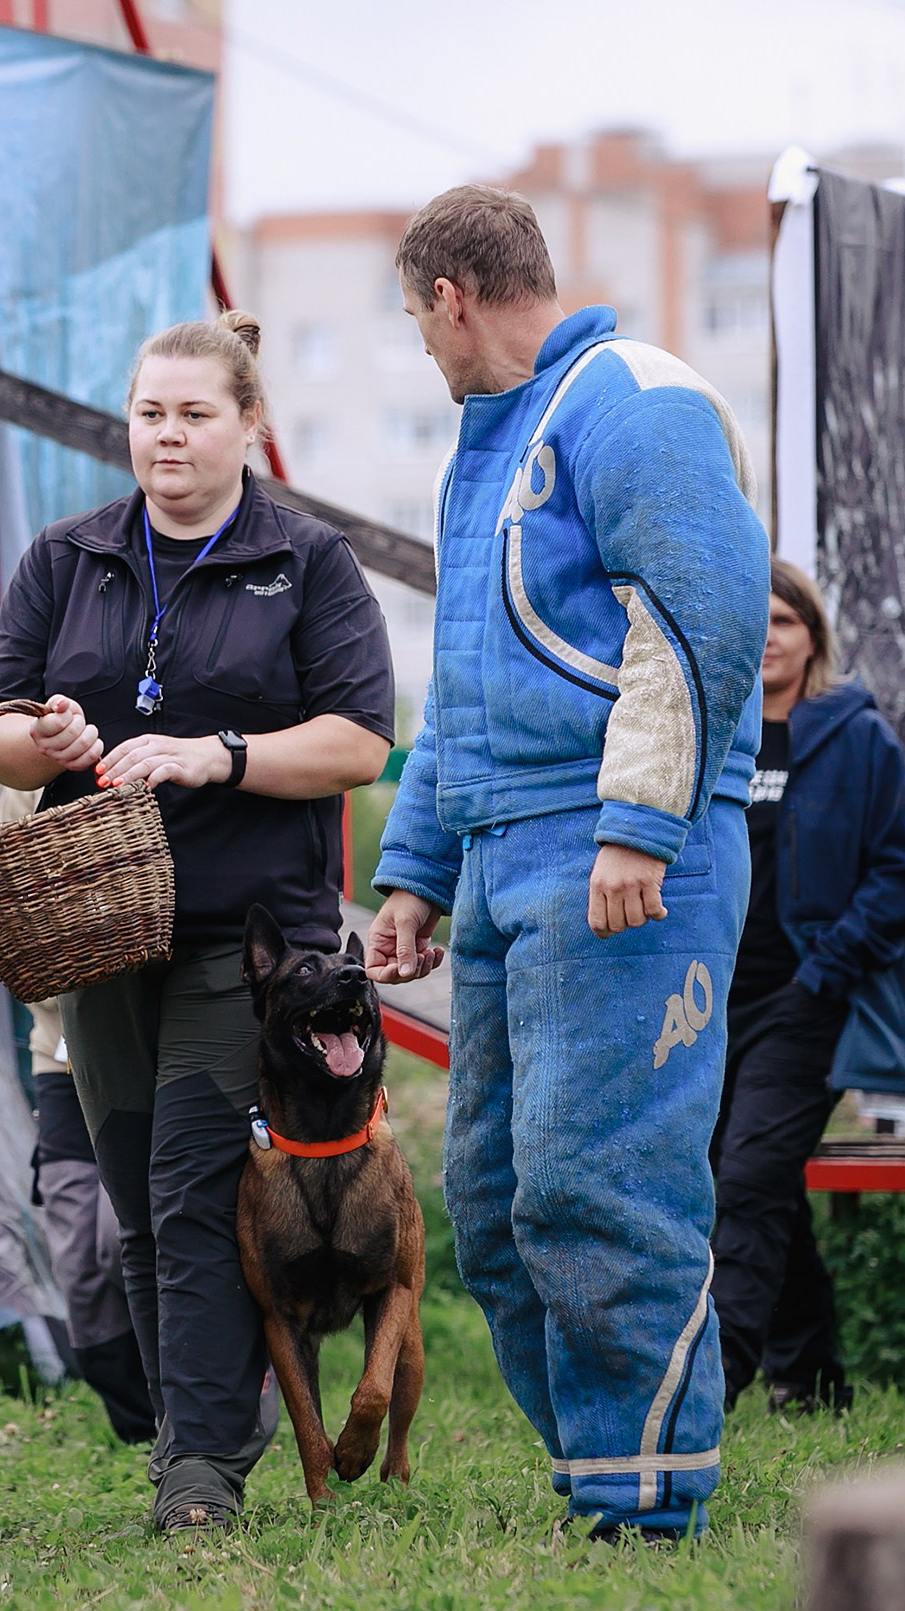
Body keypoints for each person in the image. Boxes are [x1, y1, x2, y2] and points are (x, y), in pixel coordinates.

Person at [367, 186, 767, 1542]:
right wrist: (413, 870)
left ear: (448, 297)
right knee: (493, 1194)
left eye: (416, 322)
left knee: (606, 1179)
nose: (423, 347)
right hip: (503, 851)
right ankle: (603, 1467)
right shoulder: (493, 447)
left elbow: (700, 614)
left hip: (622, 849)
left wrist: (640, 823)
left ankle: (648, 1496)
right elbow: (467, 685)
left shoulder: (635, 398)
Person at [0, 311, 395, 1533]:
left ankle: (199, 1473)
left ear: (249, 424)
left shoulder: (305, 561)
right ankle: (208, 1424)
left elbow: (357, 742)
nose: (168, 435)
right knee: (137, 1210)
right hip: (101, 934)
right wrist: (39, 740)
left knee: (193, 1192)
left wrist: (222, 755)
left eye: (194, 413)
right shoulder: (69, 556)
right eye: (150, 413)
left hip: (245, 945)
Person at [710, 558, 905, 1417]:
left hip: (801, 1002)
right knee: (751, 1177)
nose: (767, 634)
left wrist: (824, 970)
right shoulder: (711, 731)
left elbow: (900, 875)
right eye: (753, 618)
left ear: (812, 638)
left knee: (750, 1176)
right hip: (706, 998)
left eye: (785, 621)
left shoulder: (855, 738)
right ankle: (812, 1370)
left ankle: (714, 1380)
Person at [0, 787, 158, 1447]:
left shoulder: (157, 755)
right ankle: (140, 1424)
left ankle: (201, 1410)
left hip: (155, 1045)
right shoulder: (25, 783)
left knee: (114, 1235)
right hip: (60, 1047)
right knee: (78, 1254)